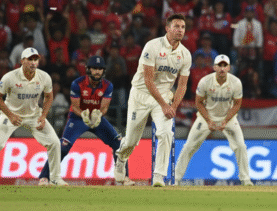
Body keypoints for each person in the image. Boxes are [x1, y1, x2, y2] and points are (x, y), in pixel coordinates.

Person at [114, 14, 192, 187]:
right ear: (167, 28)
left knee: (166, 133)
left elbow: (182, 85)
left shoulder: (185, 54)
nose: (180, 30)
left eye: (183, 27)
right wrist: (165, 105)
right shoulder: (152, 46)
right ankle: (121, 158)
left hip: (163, 96)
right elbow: (148, 80)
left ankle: (158, 176)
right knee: (131, 140)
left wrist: (173, 107)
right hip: (141, 94)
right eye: (176, 26)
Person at [38, 56, 135, 185]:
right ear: (88, 69)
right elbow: (75, 107)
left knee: (118, 143)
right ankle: (44, 177)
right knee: (63, 147)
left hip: (96, 119)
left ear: (103, 71)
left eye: (100, 69)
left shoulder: (108, 85)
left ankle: (124, 177)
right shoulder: (77, 83)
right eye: (94, 68)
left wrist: (98, 115)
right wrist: (83, 115)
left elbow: (104, 107)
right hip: (78, 118)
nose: (97, 71)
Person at [174, 54, 253, 186]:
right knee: (189, 146)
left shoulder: (236, 82)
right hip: (206, 117)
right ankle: (176, 179)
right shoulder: (205, 81)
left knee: (241, 146)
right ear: (214, 67)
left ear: (229, 68)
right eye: (219, 65)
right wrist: (209, 120)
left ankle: (246, 180)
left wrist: (226, 120)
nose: (222, 68)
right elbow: (198, 102)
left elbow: (237, 104)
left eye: (225, 65)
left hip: (228, 118)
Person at [0, 48, 66, 185]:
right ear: (22, 61)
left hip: (34, 116)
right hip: (10, 114)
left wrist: (43, 116)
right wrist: (10, 115)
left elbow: (49, 96)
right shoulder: (9, 77)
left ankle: (55, 178)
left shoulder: (44, 77)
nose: (33, 62)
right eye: (30, 59)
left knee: (54, 142)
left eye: (35, 59)